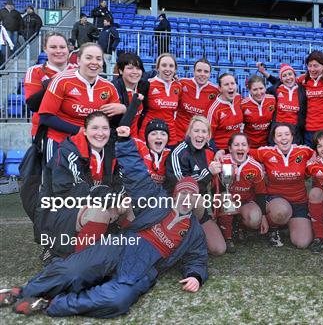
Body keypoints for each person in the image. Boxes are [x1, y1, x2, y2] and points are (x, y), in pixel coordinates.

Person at [0, 125, 208, 318]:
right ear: (175, 195)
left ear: (196, 200)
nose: (186, 199)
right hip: (121, 245)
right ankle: (25, 291)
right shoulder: (158, 200)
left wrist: (196, 276)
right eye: (183, 193)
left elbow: (197, 258)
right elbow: (137, 173)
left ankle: (52, 304)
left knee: (118, 300)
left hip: (146, 266)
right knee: (74, 270)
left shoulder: (194, 231)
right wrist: (125, 142)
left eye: (191, 196)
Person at [36, 111, 124, 258]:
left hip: (96, 203)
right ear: (84, 131)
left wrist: (118, 201)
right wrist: (111, 201)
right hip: (57, 213)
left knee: (128, 206)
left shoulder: (111, 151)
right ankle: (74, 259)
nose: (100, 133)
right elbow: (72, 193)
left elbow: (120, 183)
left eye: (104, 128)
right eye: (94, 128)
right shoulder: (68, 151)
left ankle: (128, 253)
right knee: (98, 212)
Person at [38, 43, 125, 162]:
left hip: (93, 145)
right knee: (58, 180)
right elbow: (45, 117)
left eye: (98, 59)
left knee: (88, 181)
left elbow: (114, 121)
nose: (94, 62)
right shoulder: (61, 81)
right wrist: (81, 130)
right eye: (88, 57)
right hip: (59, 142)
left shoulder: (108, 87)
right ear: (78, 60)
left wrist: (122, 109)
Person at [166, 116, 227, 256]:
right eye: (196, 131)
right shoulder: (178, 152)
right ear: (189, 133)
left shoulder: (208, 151)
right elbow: (181, 185)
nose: (200, 135)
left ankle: (195, 236)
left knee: (219, 249)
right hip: (177, 206)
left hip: (200, 209)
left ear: (208, 135)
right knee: (195, 199)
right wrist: (208, 172)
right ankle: (181, 238)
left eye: (204, 131)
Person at [250, 124, 315, 248]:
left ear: (292, 137)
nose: (283, 138)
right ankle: (273, 228)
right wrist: (220, 153)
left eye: (287, 134)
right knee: (281, 212)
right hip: (276, 200)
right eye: (279, 135)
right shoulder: (266, 152)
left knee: (302, 243)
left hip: (299, 202)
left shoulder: (304, 151)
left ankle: (289, 223)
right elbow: (243, 152)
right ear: (274, 139)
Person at [218, 133, 268, 252]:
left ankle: (240, 225)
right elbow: (217, 188)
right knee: (226, 199)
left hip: (245, 201)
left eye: (243, 145)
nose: (240, 148)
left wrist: (264, 216)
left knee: (255, 219)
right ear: (230, 149)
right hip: (227, 199)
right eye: (236, 145)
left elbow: (260, 192)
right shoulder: (222, 161)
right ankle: (228, 237)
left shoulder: (255, 166)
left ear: (248, 148)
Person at [24, 32, 77, 137]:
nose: (58, 51)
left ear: (68, 49)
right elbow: (33, 105)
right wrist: (53, 82)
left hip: (75, 132)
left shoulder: (78, 71)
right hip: (45, 133)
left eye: (62, 47)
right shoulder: (35, 71)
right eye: (53, 47)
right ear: (45, 49)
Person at [138, 53, 182, 146]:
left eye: (171, 66)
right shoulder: (148, 84)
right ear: (157, 67)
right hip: (149, 132)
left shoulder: (178, 86)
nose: (167, 69)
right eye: (164, 65)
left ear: (175, 69)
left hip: (170, 134)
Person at [176, 58, 220, 141]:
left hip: (199, 137)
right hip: (178, 135)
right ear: (193, 72)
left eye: (206, 72)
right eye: (199, 71)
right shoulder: (182, 83)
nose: (202, 74)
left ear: (210, 74)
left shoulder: (215, 91)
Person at [263, 63, 307, 145]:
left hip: (295, 130)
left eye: (290, 74)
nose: (288, 78)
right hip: (278, 129)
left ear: (295, 76)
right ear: (281, 79)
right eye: (284, 75)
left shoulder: (302, 90)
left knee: (293, 156)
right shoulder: (275, 90)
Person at [112, 52, 147, 135]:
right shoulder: (113, 89)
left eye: (138, 68)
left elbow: (153, 73)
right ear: (120, 71)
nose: (135, 72)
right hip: (119, 139)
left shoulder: (144, 85)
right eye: (130, 68)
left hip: (138, 139)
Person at [206, 73, 243, 150]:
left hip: (237, 148)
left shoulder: (238, 98)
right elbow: (208, 137)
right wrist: (216, 152)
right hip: (221, 149)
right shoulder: (214, 109)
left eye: (232, 83)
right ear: (220, 88)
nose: (230, 87)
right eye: (226, 84)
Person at [241, 75, 276, 148]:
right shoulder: (243, 104)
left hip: (268, 144)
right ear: (249, 90)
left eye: (261, 88)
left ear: (265, 88)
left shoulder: (272, 100)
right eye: (255, 89)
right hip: (250, 145)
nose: (259, 92)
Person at [135, 118, 171, 185]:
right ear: (147, 137)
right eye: (154, 134)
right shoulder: (139, 148)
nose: (159, 137)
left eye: (163, 134)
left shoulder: (172, 154)